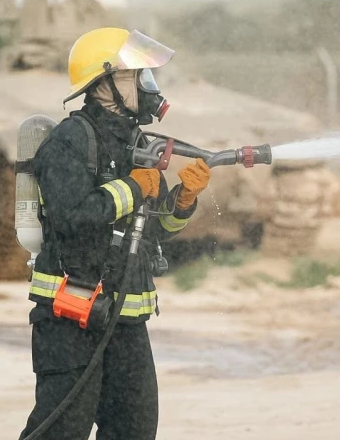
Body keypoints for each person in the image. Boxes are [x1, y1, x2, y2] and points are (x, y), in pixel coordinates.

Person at [19, 27, 211, 440]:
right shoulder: (69, 141)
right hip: (71, 315)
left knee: (134, 429)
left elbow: (150, 231)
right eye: (136, 76)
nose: (148, 86)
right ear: (102, 83)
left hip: (125, 319)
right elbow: (73, 217)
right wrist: (133, 187)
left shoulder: (136, 143)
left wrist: (181, 202)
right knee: (62, 429)